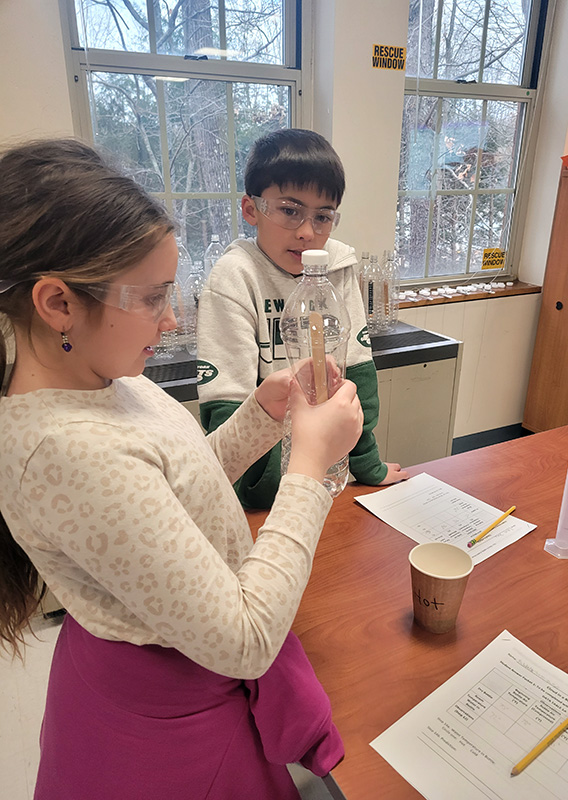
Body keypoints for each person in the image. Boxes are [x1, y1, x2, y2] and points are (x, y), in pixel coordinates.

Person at [0, 139, 364, 800]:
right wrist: (309, 465)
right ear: (57, 304)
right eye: (152, 298)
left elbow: (180, 485)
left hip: (179, 658)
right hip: (167, 708)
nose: (170, 322)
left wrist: (263, 412)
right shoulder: (64, 451)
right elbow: (248, 640)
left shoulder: (102, 375)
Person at [196, 128, 408, 509]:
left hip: (328, 474)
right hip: (258, 485)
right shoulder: (235, 276)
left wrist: (367, 465)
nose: (308, 232)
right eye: (289, 211)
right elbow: (225, 405)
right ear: (251, 210)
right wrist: (258, 486)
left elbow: (356, 380)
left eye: (323, 217)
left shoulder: (339, 268)